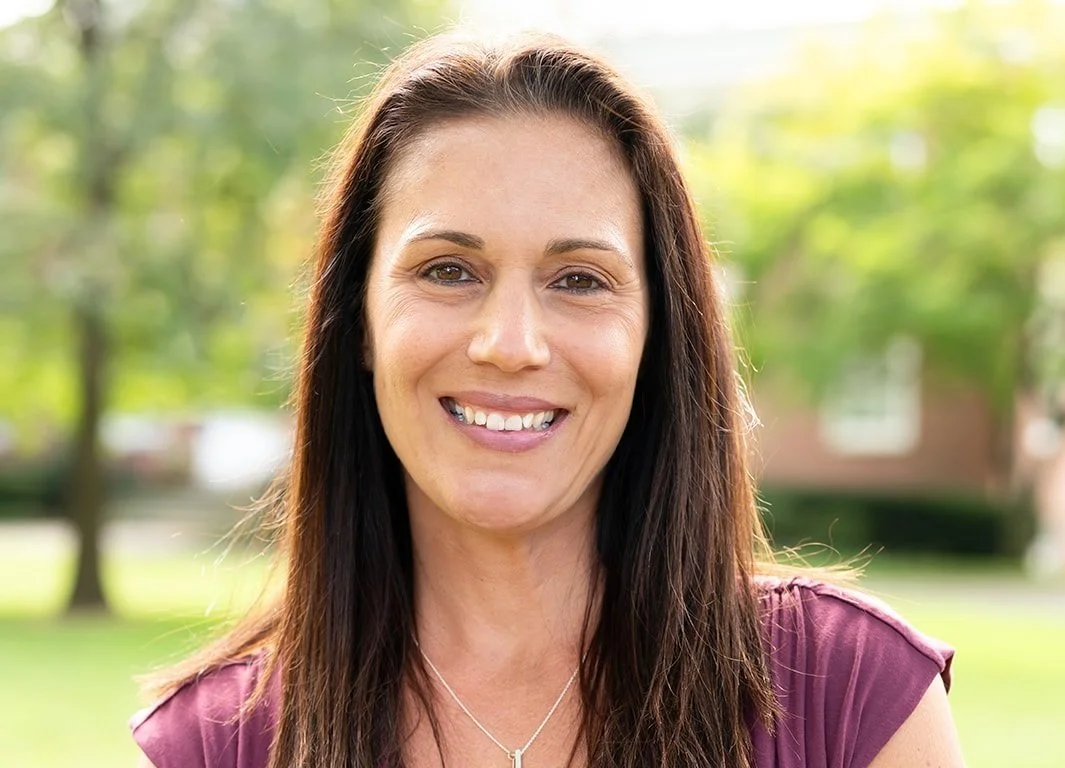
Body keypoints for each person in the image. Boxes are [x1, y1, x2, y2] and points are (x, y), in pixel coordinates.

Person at [131, 31, 964, 768]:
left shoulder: (849, 694)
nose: (511, 343)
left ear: (655, 334)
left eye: (578, 280)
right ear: (359, 321)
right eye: (448, 270)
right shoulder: (217, 745)